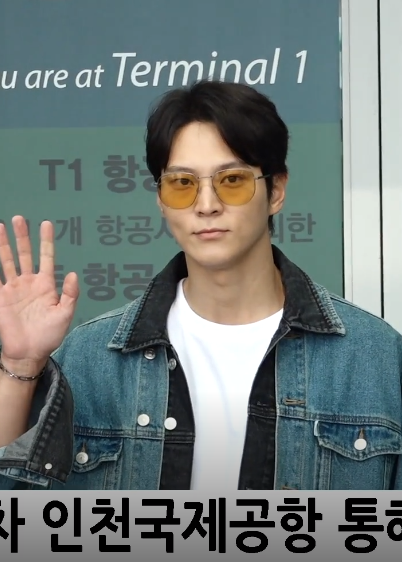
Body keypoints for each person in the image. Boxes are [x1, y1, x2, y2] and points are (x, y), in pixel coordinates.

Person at [0, 80, 401, 492]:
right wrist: (20, 366)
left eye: (232, 180)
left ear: (276, 190)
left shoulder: (375, 357)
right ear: (160, 199)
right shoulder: (90, 359)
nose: (206, 205)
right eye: (182, 184)